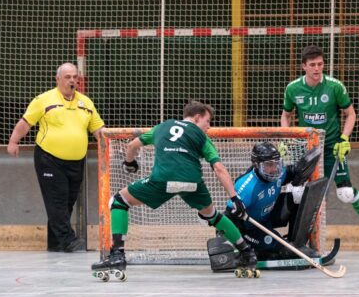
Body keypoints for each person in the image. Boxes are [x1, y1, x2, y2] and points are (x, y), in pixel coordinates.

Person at [91, 101, 256, 276]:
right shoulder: (201, 137)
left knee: (119, 201)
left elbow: (132, 145)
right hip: (193, 182)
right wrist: (234, 198)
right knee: (213, 215)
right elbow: (218, 168)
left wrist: (129, 163)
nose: (209, 126)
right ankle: (247, 253)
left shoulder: (162, 126)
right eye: (207, 121)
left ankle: (117, 255)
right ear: (197, 117)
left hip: (163, 180)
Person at [280, 44, 359, 254]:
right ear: (304, 66)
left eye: (320, 64)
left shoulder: (335, 86)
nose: (317, 69)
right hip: (307, 148)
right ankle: (299, 239)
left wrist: (344, 139)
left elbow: (351, 114)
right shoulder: (293, 88)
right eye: (312, 65)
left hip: (332, 148)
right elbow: (286, 115)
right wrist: (286, 136)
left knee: (345, 193)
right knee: (297, 193)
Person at [7, 63, 104, 253]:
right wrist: (13, 141)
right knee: (57, 201)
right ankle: (69, 241)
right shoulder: (44, 99)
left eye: (75, 77)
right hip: (49, 159)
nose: (72, 80)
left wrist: (112, 145)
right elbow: (25, 122)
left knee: (67, 203)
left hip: (76, 162)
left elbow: (98, 129)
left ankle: (55, 243)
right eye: (67, 77)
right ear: (58, 79)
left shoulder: (86, 102)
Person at [219, 141, 323, 270]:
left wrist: (304, 166)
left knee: (295, 197)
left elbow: (292, 172)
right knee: (280, 250)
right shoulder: (247, 187)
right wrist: (236, 243)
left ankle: (295, 243)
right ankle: (261, 250)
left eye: (276, 164)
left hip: (267, 219)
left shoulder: (278, 173)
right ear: (257, 165)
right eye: (269, 165)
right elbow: (228, 218)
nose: (274, 169)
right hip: (249, 229)